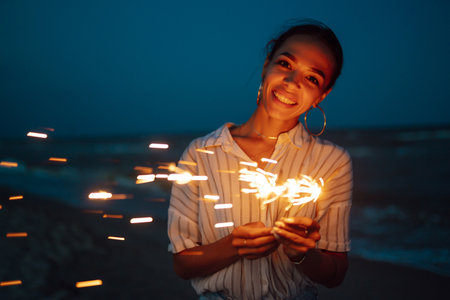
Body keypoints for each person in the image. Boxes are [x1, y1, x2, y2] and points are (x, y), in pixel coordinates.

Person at [168, 20, 352, 300]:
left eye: (312, 78)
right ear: (267, 64)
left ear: (321, 95)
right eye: (285, 64)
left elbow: (336, 274)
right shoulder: (201, 153)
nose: (292, 83)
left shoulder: (333, 162)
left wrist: (302, 255)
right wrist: (234, 246)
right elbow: (182, 264)